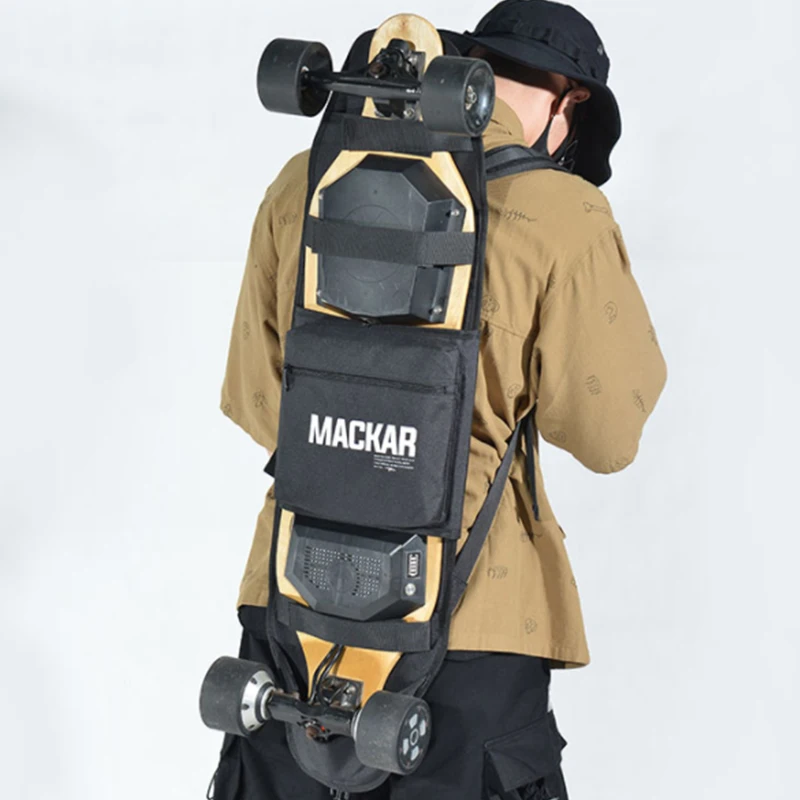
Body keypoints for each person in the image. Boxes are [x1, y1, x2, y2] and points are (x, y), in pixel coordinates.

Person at [211, 1, 667, 798]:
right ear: (570, 102)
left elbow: (257, 403)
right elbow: (608, 434)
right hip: (474, 629)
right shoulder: (565, 215)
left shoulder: (304, 182)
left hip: (291, 618)